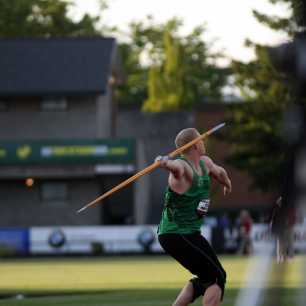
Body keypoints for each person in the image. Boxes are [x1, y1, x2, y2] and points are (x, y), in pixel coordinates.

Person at [156, 127, 232, 306]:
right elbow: (176, 169)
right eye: (201, 139)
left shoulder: (205, 163)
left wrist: (227, 183)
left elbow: (219, 172)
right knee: (216, 277)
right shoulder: (183, 167)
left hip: (190, 233)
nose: (203, 142)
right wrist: (165, 163)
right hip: (176, 234)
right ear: (195, 144)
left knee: (206, 278)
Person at [270, 196, 295, 263]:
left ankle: (290, 257)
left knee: (290, 242)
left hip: (289, 227)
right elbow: (273, 219)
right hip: (281, 228)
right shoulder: (276, 209)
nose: (279, 203)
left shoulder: (289, 208)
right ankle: (282, 257)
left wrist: (290, 224)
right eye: (279, 202)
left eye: (280, 202)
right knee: (281, 243)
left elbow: (292, 217)